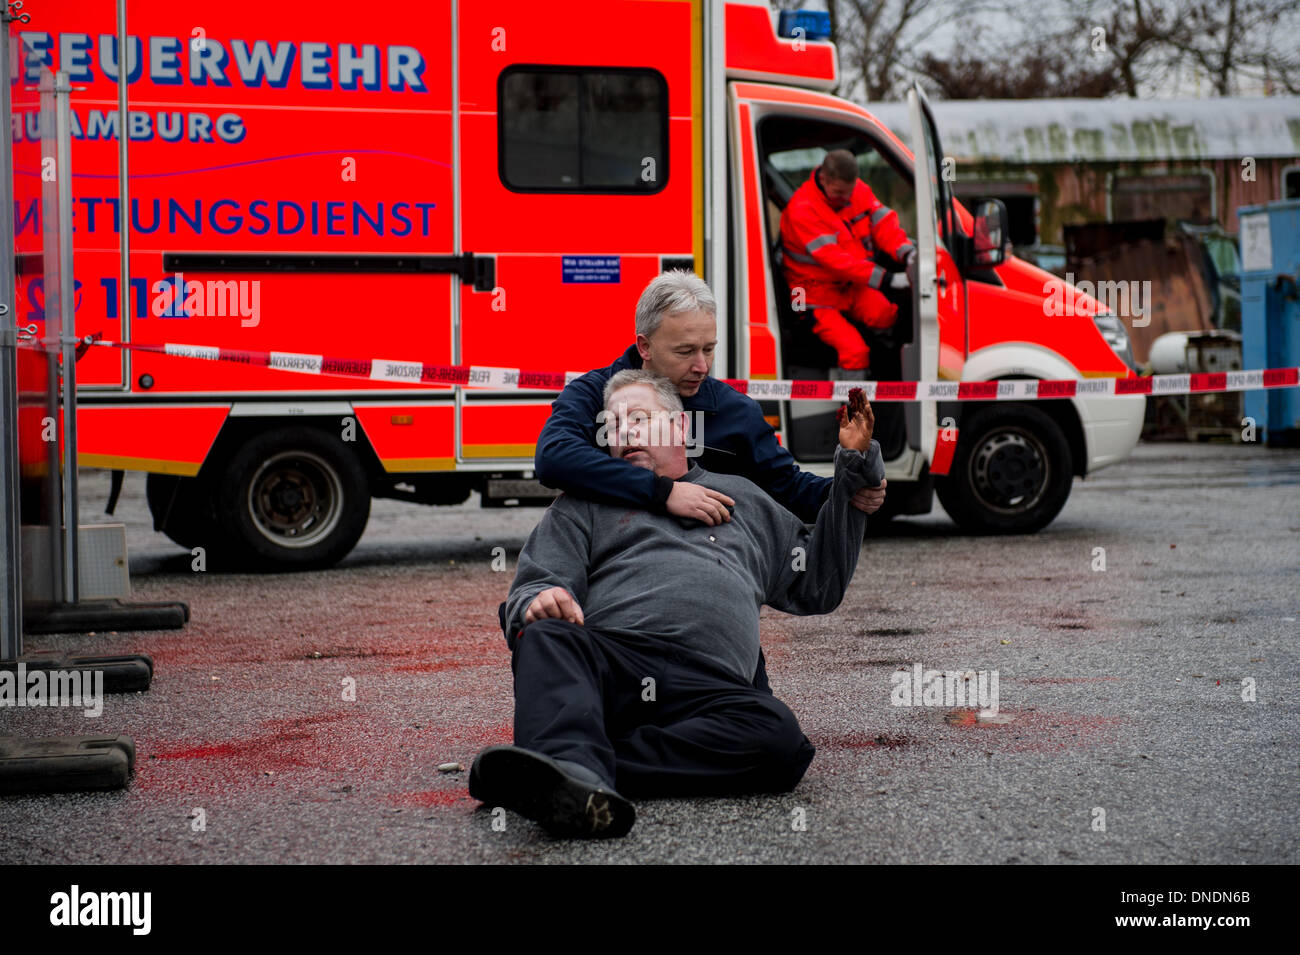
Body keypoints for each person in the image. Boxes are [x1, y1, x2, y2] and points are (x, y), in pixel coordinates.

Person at [468, 370, 885, 838]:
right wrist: (538, 601)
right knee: (545, 634)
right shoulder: (580, 504)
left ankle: (572, 774)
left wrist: (853, 466)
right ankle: (569, 765)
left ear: (682, 428)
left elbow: (819, 584)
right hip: (612, 671)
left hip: (709, 688)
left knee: (780, 740)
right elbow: (534, 585)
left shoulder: (745, 498)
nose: (624, 433)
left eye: (640, 419)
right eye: (612, 426)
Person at [533, 269, 885, 525]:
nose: (702, 366)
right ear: (645, 346)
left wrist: (844, 492)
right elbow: (553, 458)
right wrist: (665, 492)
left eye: (708, 349)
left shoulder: (735, 412)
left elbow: (787, 488)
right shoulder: (592, 394)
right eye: (685, 351)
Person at [779, 148, 917, 372]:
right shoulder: (802, 210)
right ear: (823, 179)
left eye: (849, 193)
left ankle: (885, 379)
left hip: (850, 284)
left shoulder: (856, 191)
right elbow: (835, 260)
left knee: (886, 315)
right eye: (839, 193)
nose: (846, 200)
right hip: (809, 295)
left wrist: (906, 251)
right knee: (854, 352)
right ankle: (853, 406)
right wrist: (887, 279)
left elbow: (883, 224)